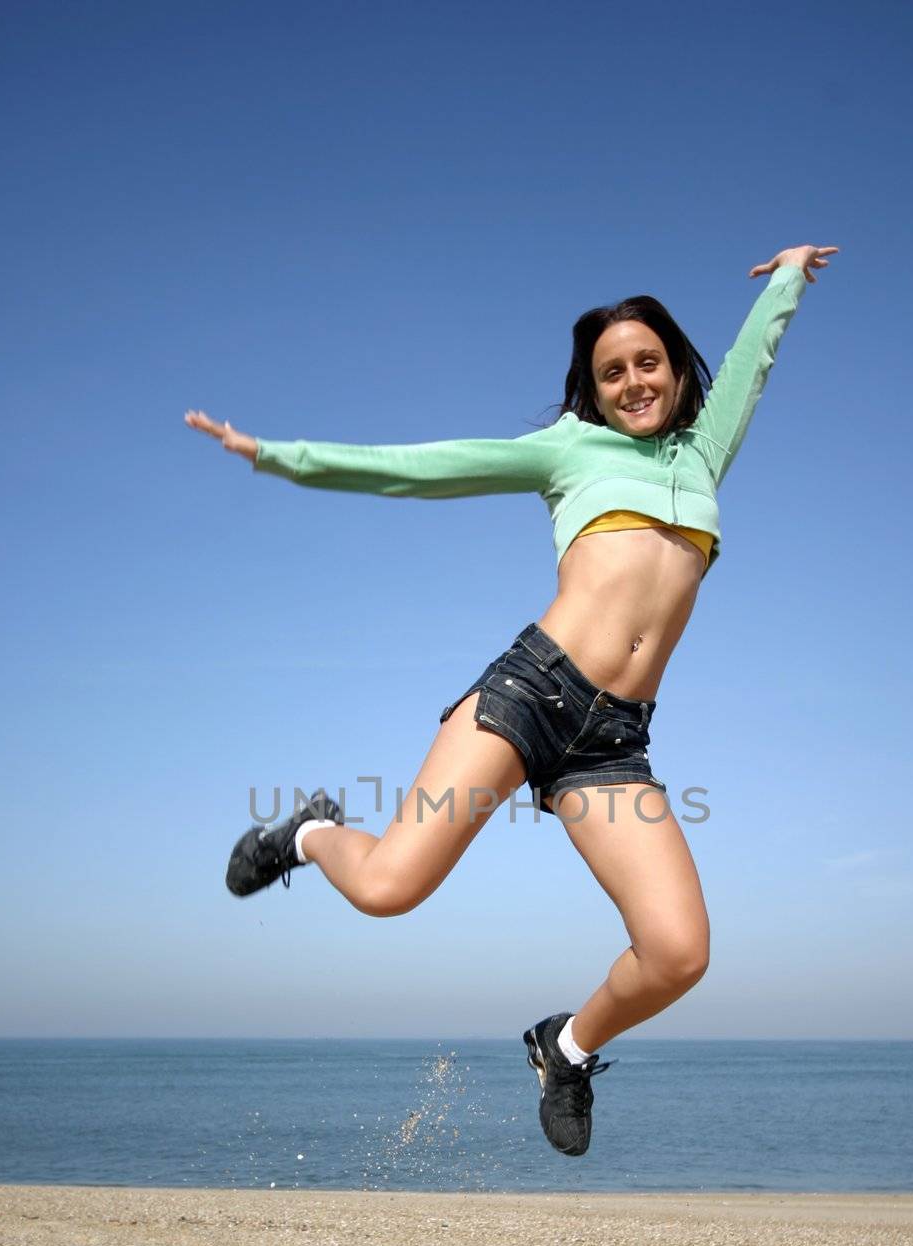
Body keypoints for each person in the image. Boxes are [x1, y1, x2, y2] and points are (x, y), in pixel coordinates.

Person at [185, 242, 839, 1159]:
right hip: (531, 692)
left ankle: (564, 1049)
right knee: (385, 890)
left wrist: (782, 283)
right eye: (611, 372)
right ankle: (306, 834)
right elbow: (428, 467)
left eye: (647, 362)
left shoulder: (704, 451)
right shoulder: (569, 450)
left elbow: (750, 367)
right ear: (592, 388)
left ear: (674, 371)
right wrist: (283, 457)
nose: (632, 381)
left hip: (613, 741)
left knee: (678, 953)